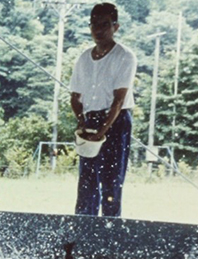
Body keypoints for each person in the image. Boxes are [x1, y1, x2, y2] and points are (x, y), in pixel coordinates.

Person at [69, 3, 137, 217]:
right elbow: (75, 97)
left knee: (111, 184)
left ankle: (109, 239)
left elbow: (118, 100)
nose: (98, 30)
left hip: (116, 122)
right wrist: (82, 121)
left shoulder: (125, 57)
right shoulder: (83, 58)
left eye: (104, 25)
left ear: (115, 27)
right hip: (91, 120)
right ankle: (81, 237)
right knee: (87, 184)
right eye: (94, 25)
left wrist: (103, 130)